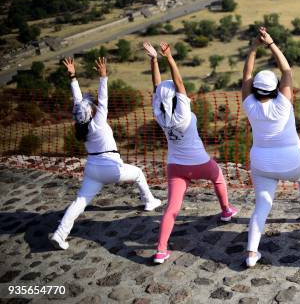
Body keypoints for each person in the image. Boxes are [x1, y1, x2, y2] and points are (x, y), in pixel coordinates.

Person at [50, 57, 161, 250]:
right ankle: (149, 201)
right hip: (111, 167)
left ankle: (60, 234)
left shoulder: (81, 124)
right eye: (90, 106)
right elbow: (103, 100)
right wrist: (103, 77)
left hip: (93, 169)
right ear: (91, 112)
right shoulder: (98, 121)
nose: (91, 105)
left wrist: (73, 76)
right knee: (138, 173)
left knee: (80, 202)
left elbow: (78, 104)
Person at [143, 42, 237, 264]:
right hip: (200, 162)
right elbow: (179, 83)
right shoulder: (184, 113)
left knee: (171, 208)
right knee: (218, 177)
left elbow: (158, 89)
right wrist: (169, 58)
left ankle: (160, 250)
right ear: (177, 98)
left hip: (175, 166)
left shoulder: (160, 114)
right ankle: (226, 211)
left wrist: (153, 60)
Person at [242, 27, 300, 268]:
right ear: (275, 88)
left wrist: (254, 47)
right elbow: (287, 69)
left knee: (262, 205)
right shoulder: (284, 103)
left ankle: (250, 253)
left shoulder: (249, 104)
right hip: (291, 161)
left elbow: (247, 74)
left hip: (261, 163)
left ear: (255, 89)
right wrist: (270, 44)